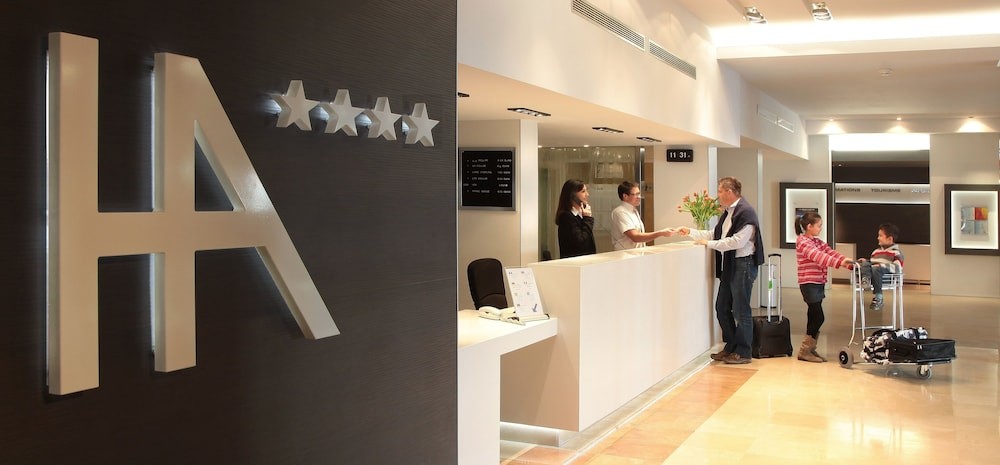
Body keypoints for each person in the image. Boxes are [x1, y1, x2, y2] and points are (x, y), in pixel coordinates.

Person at [676, 177, 764, 365]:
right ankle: (731, 347)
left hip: (743, 264)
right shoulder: (728, 213)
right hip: (731, 265)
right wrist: (691, 232)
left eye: (720, 191)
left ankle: (744, 352)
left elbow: (737, 241)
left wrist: (709, 244)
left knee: (740, 310)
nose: (718, 195)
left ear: (729, 192)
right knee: (722, 307)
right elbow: (716, 235)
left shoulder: (746, 212)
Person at [794, 212, 854, 363]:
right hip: (809, 283)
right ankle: (805, 350)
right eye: (819, 226)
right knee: (818, 317)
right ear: (809, 226)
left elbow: (829, 252)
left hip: (818, 283)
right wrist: (840, 263)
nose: (820, 228)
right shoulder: (803, 242)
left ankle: (809, 349)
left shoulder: (817, 241)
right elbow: (820, 257)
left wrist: (846, 262)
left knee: (813, 316)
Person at [610, 181, 672, 250]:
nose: (639, 197)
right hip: (626, 254)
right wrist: (660, 233)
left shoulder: (634, 211)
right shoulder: (620, 212)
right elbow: (635, 237)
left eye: (639, 194)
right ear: (625, 196)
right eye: (635, 194)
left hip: (637, 253)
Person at [858, 223, 904, 311]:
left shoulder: (896, 252)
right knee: (865, 263)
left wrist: (881, 266)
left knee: (876, 269)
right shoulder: (876, 252)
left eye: (880, 236)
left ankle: (879, 297)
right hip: (873, 275)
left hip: (886, 278)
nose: (878, 238)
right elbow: (871, 264)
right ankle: (866, 281)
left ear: (890, 239)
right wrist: (866, 262)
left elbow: (897, 267)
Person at [555, 179, 597, 258]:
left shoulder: (581, 214)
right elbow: (581, 242)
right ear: (573, 195)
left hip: (587, 260)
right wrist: (587, 219)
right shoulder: (566, 217)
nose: (587, 194)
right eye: (583, 191)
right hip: (574, 262)